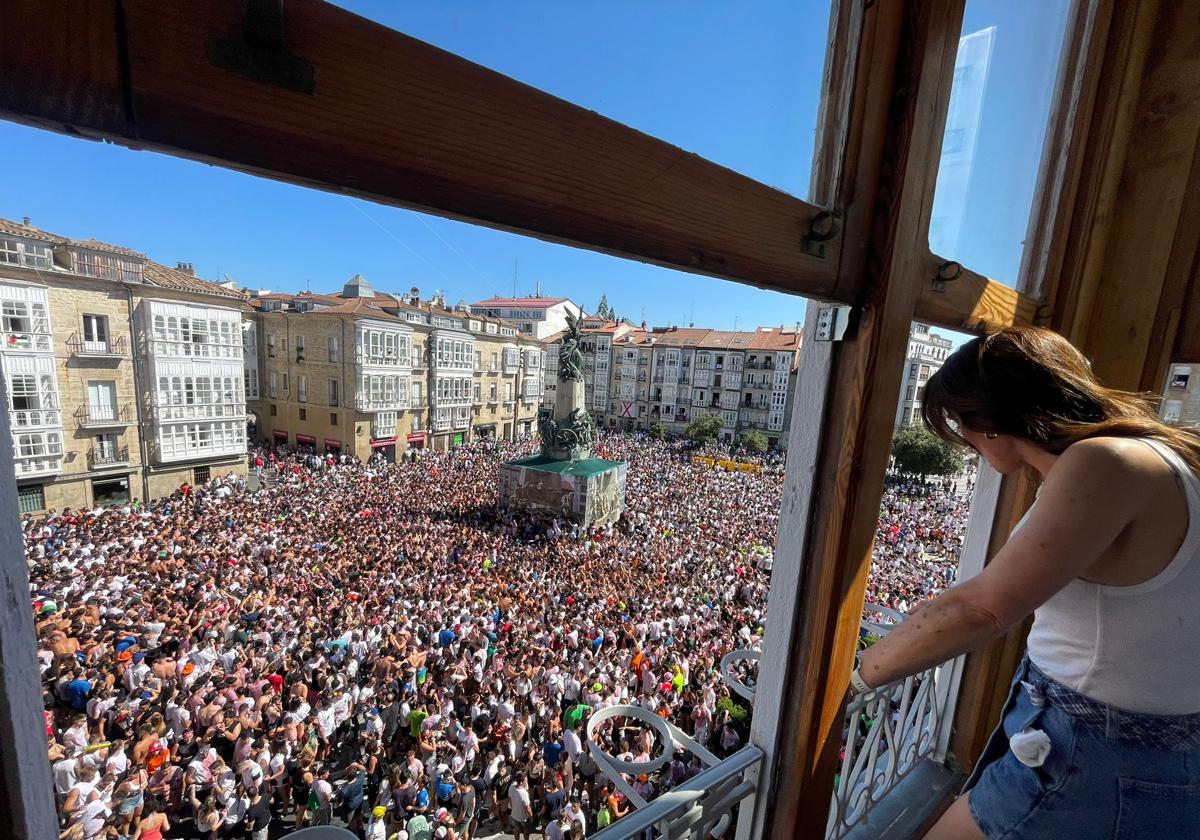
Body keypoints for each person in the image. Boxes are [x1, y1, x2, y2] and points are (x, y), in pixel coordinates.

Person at [856, 327, 1200, 838]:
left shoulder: (1104, 462)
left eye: (961, 426)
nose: (968, 445)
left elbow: (984, 609)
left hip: (1096, 753)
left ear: (989, 422)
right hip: (1144, 752)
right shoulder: (1159, 457)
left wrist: (859, 674)